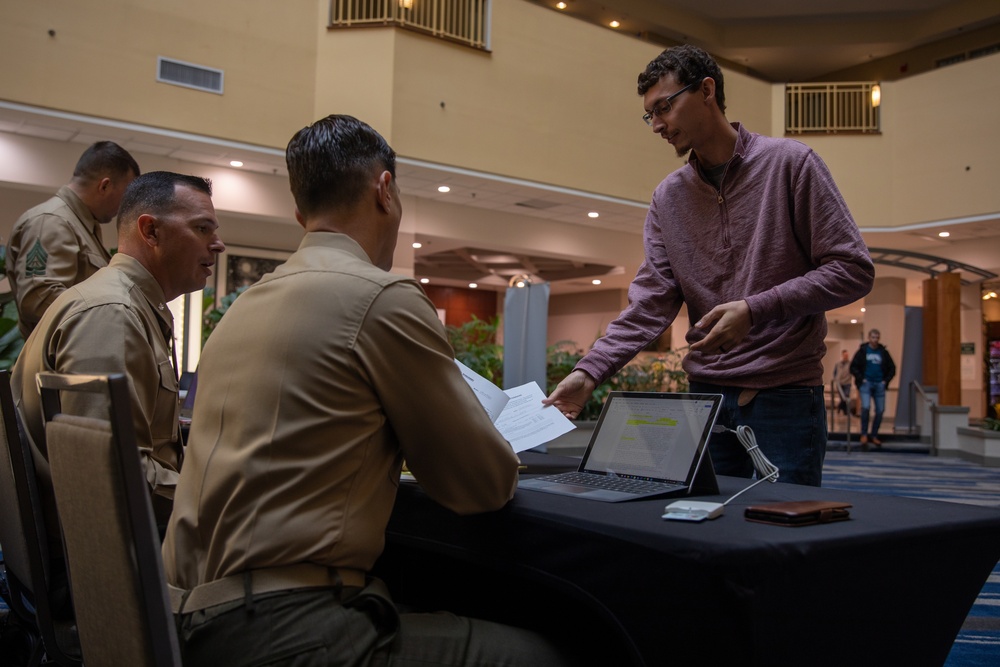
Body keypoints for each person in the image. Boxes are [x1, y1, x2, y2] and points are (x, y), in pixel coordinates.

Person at [162, 115, 576, 667]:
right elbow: (482, 484)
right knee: (551, 652)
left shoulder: (244, 307)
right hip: (285, 627)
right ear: (385, 190)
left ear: (299, 214)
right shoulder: (381, 297)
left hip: (188, 621)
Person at [544, 45, 874, 487]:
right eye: (650, 115)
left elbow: (852, 269)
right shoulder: (669, 196)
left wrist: (755, 309)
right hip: (705, 401)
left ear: (706, 91)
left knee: (778, 538)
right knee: (702, 531)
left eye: (665, 106)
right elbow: (651, 302)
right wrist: (589, 372)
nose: (658, 124)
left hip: (785, 398)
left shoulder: (791, 164)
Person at [12, 171, 225, 530]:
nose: (218, 244)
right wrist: (218, 505)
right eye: (203, 229)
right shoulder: (113, 315)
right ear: (151, 231)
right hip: (101, 559)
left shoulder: (128, 304)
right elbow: (112, 476)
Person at [6, 141, 140, 337]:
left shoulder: (80, 225)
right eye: (125, 196)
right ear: (105, 186)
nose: (124, 207)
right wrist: (110, 319)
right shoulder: (52, 221)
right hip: (58, 362)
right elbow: (38, 299)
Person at [850, 329, 896, 447]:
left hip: (879, 384)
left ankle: (874, 435)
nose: (875, 340)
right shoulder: (863, 351)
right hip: (866, 384)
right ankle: (864, 434)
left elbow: (892, 368)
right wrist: (861, 379)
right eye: (873, 337)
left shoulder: (883, 352)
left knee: (880, 410)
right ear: (869, 338)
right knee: (865, 407)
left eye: (877, 337)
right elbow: (853, 367)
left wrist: (885, 381)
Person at [833, 349, 853, 415]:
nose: (846, 356)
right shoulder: (838, 364)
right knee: (842, 397)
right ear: (842, 355)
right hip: (839, 383)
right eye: (845, 355)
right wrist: (836, 379)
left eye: (847, 355)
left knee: (846, 396)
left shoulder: (850, 364)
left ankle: (841, 408)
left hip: (847, 382)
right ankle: (843, 409)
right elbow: (835, 373)